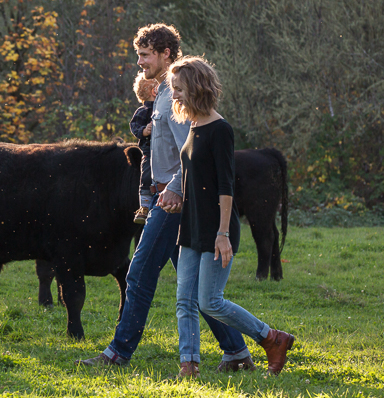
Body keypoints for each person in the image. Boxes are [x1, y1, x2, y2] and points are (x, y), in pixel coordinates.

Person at [77, 23, 254, 372]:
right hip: (167, 198)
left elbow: (192, 151)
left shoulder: (176, 95)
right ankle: (236, 352)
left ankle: (117, 353)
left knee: (139, 274)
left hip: (174, 202)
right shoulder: (161, 93)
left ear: (165, 55)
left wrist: (172, 187)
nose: (140, 62)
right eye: (139, 55)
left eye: (145, 55)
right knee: (195, 291)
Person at [169, 56, 294, 377]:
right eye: (173, 89)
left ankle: (271, 338)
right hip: (191, 225)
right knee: (185, 301)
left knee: (210, 302)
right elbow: (195, 177)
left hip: (216, 229)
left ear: (196, 87)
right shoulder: (193, 125)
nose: (175, 96)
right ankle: (189, 365)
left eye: (179, 89)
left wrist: (223, 234)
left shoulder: (220, 129)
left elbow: (226, 187)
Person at [129, 72, 157, 225]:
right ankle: (144, 206)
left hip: (164, 151)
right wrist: (144, 131)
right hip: (149, 151)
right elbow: (134, 127)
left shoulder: (165, 107)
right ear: (154, 91)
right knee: (146, 176)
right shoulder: (143, 111)